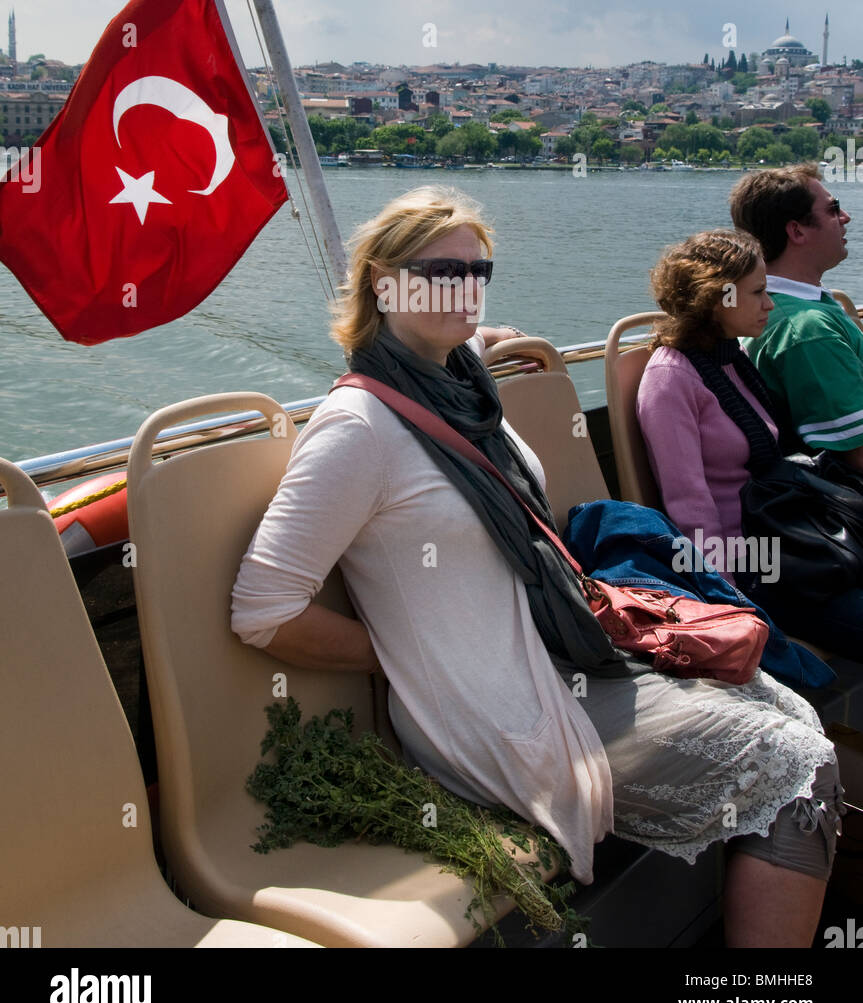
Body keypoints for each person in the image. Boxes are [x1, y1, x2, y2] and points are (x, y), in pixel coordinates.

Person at [232, 187, 841, 948]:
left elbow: (463, 357)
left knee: (790, 711)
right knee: (794, 769)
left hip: (563, 654)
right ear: (382, 283)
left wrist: (483, 340)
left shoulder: (461, 387)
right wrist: (411, 659)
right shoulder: (357, 428)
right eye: (439, 272)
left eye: (476, 271)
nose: (465, 289)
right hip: (493, 706)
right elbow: (263, 608)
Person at [636, 229, 778, 583]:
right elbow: (690, 507)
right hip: (748, 563)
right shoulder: (672, 377)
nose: (769, 303)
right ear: (719, 298)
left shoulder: (733, 356)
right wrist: (730, 599)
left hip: (779, 536)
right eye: (758, 292)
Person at [729, 163, 863, 469]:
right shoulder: (806, 329)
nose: (846, 217)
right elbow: (857, 454)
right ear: (797, 231)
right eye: (833, 209)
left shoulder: (783, 307)